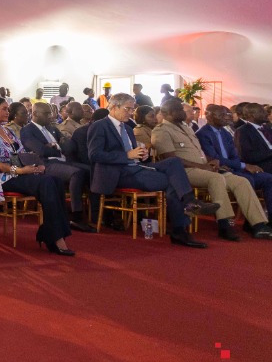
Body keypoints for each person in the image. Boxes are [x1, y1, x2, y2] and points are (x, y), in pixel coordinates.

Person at [87, 93, 217, 248]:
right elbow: (94, 155)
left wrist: (142, 155)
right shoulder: (99, 126)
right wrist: (127, 155)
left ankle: (187, 208)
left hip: (137, 167)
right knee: (173, 183)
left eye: (132, 109)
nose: (131, 113)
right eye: (127, 109)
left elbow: (133, 153)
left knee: (174, 162)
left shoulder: (127, 128)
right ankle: (181, 225)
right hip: (118, 173)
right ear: (114, 107)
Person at [152, 98, 263, 242]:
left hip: (204, 167)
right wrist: (203, 167)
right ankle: (224, 224)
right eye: (179, 110)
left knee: (241, 181)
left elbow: (198, 153)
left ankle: (258, 224)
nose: (183, 112)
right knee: (216, 178)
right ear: (168, 113)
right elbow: (171, 160)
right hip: (184, 172)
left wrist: (211, 161)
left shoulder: (186, 127)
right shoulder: (161, 131)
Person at [0, 97, 74, 256]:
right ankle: (55, 237)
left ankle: (50, 232)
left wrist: (35, 166)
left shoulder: (8, 131)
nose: (8, 112)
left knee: (55, 180)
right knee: (46, 183)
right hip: (0, 179)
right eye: (4, 109)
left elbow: (20, 155)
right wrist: (19, 171)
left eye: (8, 109)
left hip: (17, 174)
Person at [197, 105, 272, 239]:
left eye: (227, 114)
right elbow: (214, 158)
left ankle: (263, 221)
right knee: (247, 180)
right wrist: (243, 166)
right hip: (218, 170)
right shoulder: (203, 134)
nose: (226, 118)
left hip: (234, 169)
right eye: (222, 115)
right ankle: (253, 224)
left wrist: (239, 166)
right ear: (209, 116)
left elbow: (235, 155)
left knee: (268, 178)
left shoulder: (225, 133)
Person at [21, 102, 95, 232]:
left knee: (92, 170)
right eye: (46, 114)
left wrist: (54, 146)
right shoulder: (27, 130)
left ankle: (95, 212)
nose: (50, 116)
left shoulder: (52, 128)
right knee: (77, 173)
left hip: (63, 161)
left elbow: (70, 147)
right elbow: (41, 151)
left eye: (50, 113)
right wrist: (58, 146)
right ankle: (76, 216)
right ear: (35, 114)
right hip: (45, 164)